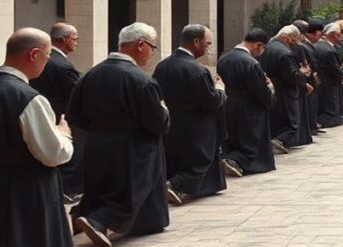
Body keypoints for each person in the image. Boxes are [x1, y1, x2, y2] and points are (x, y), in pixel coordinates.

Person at [69, 22, 170, 247]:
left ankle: (84, 217)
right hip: (134, 146)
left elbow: (74, 114)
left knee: (100, 186)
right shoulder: (141, 80)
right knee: (132, 189)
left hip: (96, 142)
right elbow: (158, 123)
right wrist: (163, 110)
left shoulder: (89, 75)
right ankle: (97, 221)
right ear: (140, 44)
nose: (153, 53)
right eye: (153, 47)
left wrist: (98, 130)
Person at [0, 28, 74, 247]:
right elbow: (52, 154)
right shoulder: (28, 98)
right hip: (27, 191)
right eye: (48, 56)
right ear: (34, 55)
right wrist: (64, 134)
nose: (47, 61)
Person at [153, 24, 228, 204]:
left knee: (177, 157)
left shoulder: (162, 66)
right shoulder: (197, 70)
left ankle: (175, 185)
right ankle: (175, 186)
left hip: (172, 120)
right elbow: (210, 101)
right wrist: (220, 89)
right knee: (201, 159)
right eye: (207, 43)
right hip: (196, 123)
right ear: (196, 42)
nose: (208, 48)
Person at [31, 22, 84, 200]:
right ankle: (67, 190)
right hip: (63, 118)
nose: (76, 43)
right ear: (66, 39)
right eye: (75, 39)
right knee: (68, 155)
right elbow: (77, 94)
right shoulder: (62, 66)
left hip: (42, 114)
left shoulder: (44, 60)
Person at [218, 28, 277, 175]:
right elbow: (260, 90)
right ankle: (237, 160)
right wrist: (270, 89)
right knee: (251, 139)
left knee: (234, 136)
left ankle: (230, 157)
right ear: (258, 44)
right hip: (250, 106)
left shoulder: (224, 58)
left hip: (229, 103)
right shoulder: (251, 63)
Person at [264, 25, 313, 149]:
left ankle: (275, 140)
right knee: (292, 123)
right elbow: (292, 76)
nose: (293, 44)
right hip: (285, 91)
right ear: (286, 38)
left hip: (271, 87)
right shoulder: (285, 53)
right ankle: (278, 141)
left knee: (276, 118)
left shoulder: (268, 47)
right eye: (293, 41)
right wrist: (302, 73)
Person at [315, 22, 343, 128]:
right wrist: (341, 76)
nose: (340, 37)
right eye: (338, 34)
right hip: (329, 81)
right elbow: (334, 68)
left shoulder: (319, 46)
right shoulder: (329, 50)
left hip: (321, 80)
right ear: (333, 34)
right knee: (329, 103)